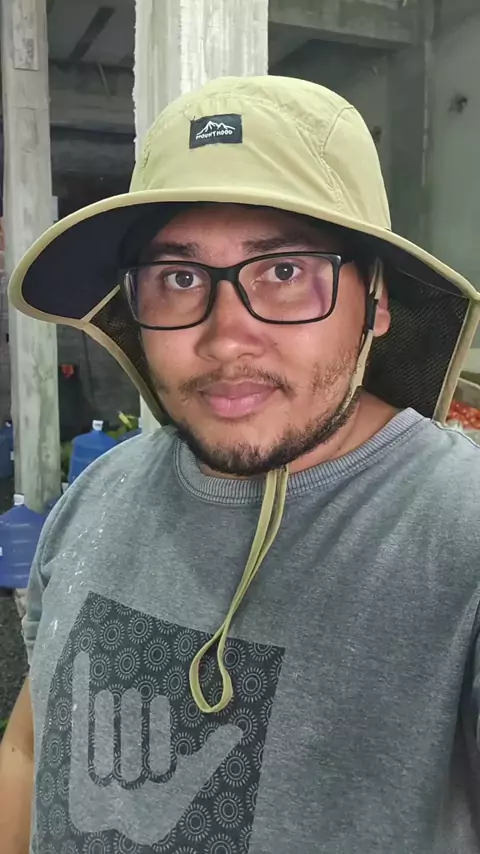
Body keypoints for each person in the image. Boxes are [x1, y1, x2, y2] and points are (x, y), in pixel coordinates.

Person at [1, 75, 480, 854]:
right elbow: (30, 747)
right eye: (180, 278)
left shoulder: (460, 537)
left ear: (377, 301)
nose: (225, 338)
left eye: (284, 271)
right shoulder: (100, 494)